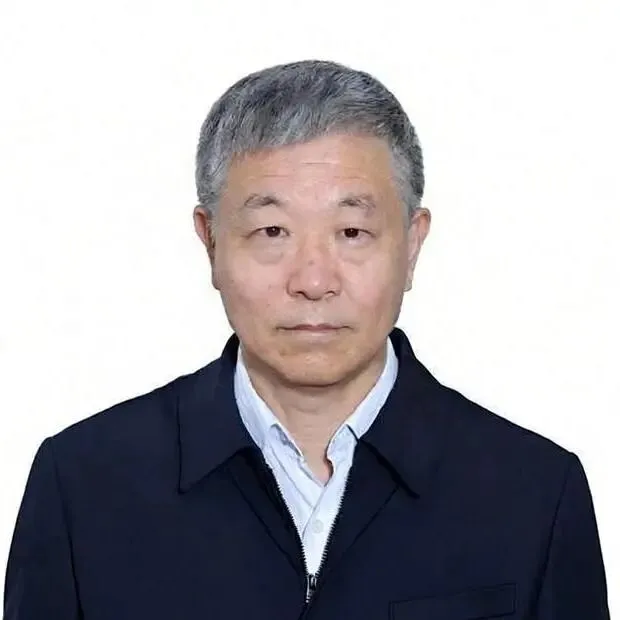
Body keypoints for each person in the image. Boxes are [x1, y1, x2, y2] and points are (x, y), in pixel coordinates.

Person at [3, 60, 610, 620]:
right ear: (211, 242)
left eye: (352, 231)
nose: (314, 281)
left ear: (412, 244)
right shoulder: (83, 485)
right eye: (273, 231)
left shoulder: (535, 494)